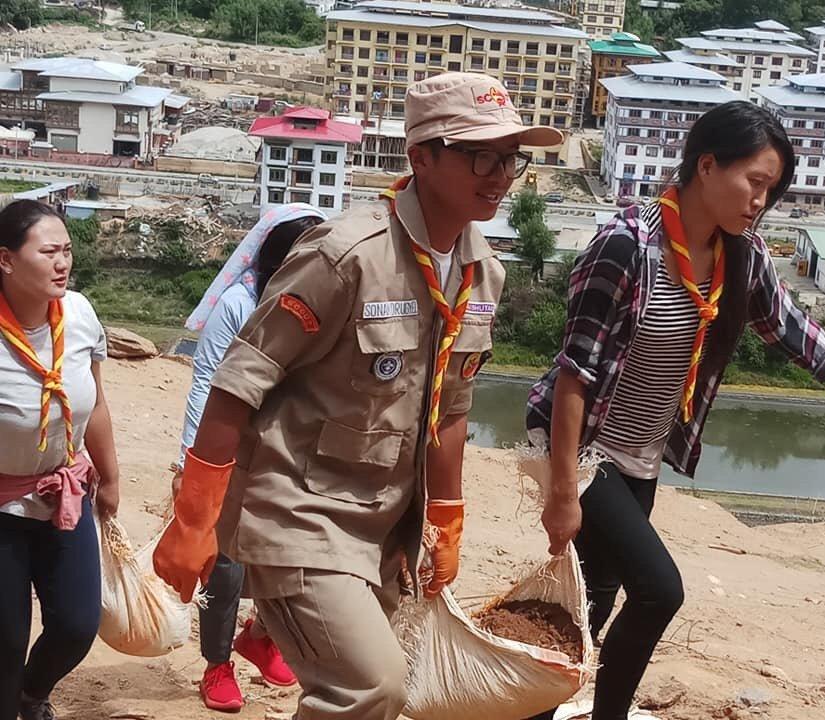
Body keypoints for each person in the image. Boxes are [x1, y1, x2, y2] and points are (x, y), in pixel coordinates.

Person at [154, 72, 562, 720]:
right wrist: (194, 518)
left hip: (385, 527)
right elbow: (238, 381)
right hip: (300, 510)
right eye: (480, 154)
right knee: (370, 687)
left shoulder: (485, 272)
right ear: (422, 156)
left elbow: (451, 408)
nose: (500, 173)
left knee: (360, 691)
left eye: (511, 156)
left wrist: (446, 521)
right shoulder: (346, 253)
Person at [525, 101, 825, 720]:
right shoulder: (626, 246)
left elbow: (795, 331)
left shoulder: (742, 256)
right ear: (706, 165)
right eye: (754, 182)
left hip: (644, 454)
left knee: (593, 600)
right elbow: (576, 373)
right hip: (584, 443)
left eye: (771, 189)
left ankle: (537, 709)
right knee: (658, 591)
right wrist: (564, 489)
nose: (761, 200)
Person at [175, 204, 325, 711]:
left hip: (287, 453)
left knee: (292, 557)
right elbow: (206, 380)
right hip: (229, 452)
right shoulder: (240, 304)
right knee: (227, 567)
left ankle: (261, 637)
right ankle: (217, 665)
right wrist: (190, 467)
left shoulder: (319, 302)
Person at [0, 200, 122, 720]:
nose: (62, 263)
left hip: (65, 494)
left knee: (76, 624)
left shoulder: (78, 312)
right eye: (48, 251)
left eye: (67, 251)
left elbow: (93, 401)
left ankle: (33, 691)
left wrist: (110, 477)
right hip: (2, 509)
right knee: (3, 641)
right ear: (6, 260)